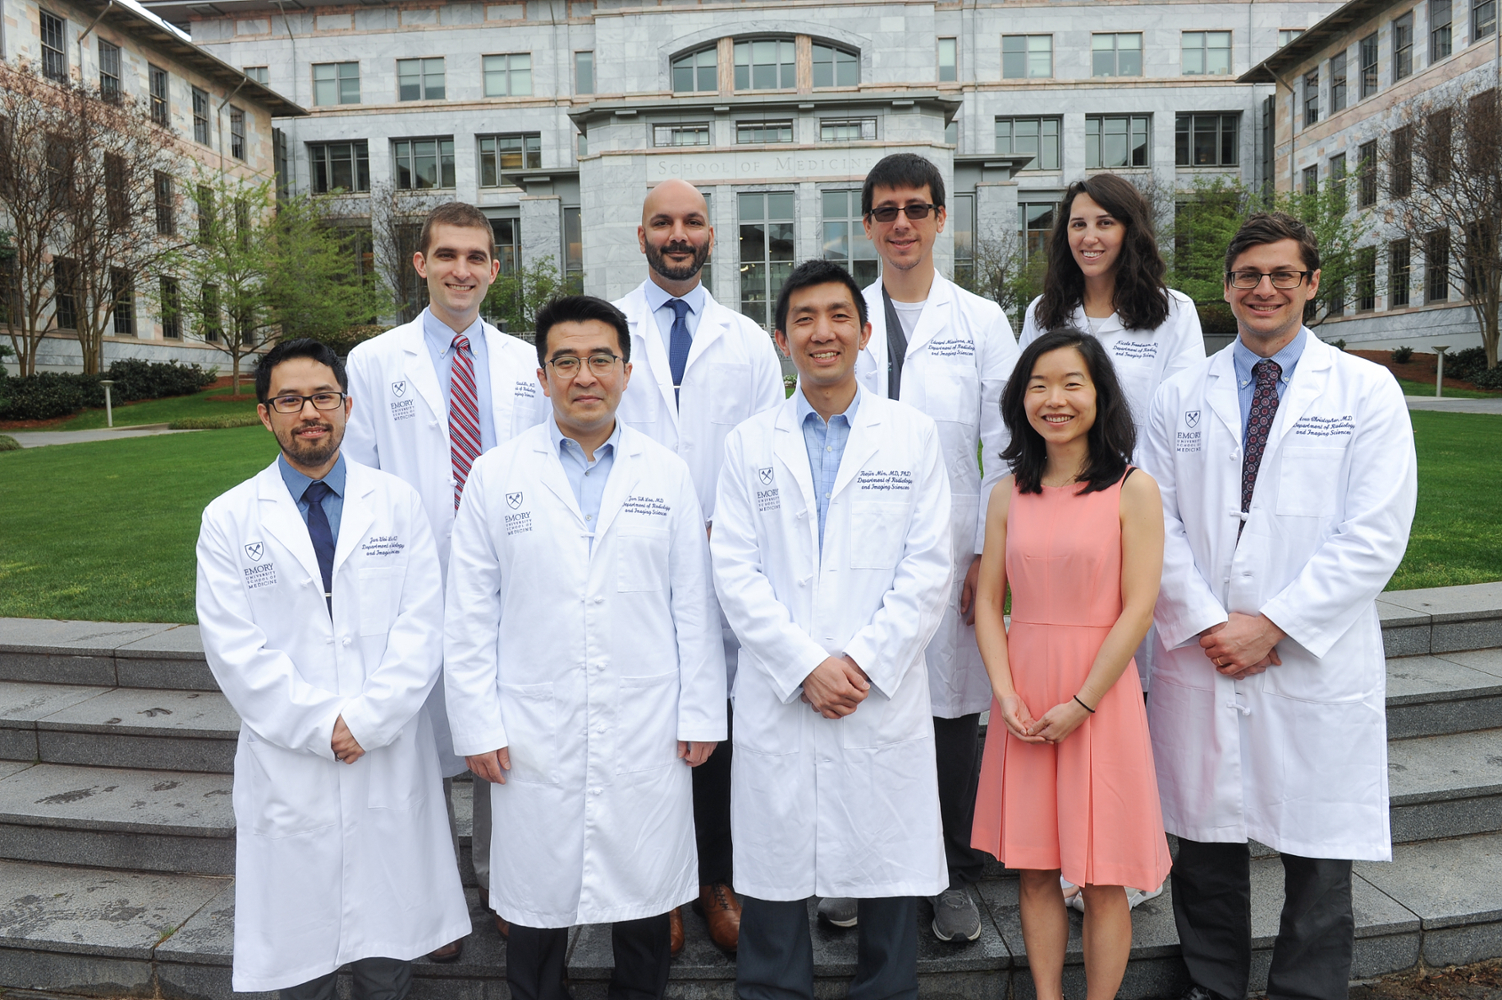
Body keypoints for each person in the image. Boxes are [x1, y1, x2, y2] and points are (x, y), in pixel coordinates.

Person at [1141, 212, 1417, 1000]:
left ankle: (1308, 989)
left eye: (1282, 275)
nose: (1264, 289)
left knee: (1321, 853)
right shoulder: (1178, 396)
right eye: (1248, 275)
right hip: (1204, 648)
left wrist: (1274, 625)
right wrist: (1205, 620)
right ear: (1226, 287)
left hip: (1312, 658)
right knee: (1205, 846)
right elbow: (1152, 522)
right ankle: (1211, 984)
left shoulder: (1366, 391)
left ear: (1312, 284)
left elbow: (1375, 532)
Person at [444, 295, 727, 1000]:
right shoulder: (495, 476)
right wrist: (477, 723)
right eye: (565, 361)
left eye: (601, 359)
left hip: (646, 720)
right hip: (532, 725)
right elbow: (470, 613)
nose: (584, 375)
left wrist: (700, 711)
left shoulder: (666, 473)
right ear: (542, 378)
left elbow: (692, 603)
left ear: (626, 372)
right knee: (536, 902)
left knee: (642, 890)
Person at [195, 338, 470, 998]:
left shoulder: (396, 505)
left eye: (322, 397)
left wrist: (368, 720)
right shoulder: (229, 519)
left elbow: (423, 626)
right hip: (291, 760)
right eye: (289, 399)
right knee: (300, 958)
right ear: (265, 415)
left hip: (385, 751)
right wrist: (322, 724)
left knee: (387, 949)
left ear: (348, 407)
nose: (308, 412)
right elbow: (234, 649)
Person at [712, 259, 953, 1000]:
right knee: (776, 861)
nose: (824, 333)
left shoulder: (911, 436)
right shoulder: (747, 444)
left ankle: (887, 989)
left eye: (839, 316)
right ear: (782, 340)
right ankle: (774, 990)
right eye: (805, 320)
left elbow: (929, 566)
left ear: (865, 331)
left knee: (885, 857)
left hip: (877, 691)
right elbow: (735, 571)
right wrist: (805, 664)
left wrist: (863, 662)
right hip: (784, 689)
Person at [344, 201, 549, 957]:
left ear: (495, 269)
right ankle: (429, 899)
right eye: (447, 255)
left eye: (476, 257)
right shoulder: (372, 363)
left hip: (508, 579)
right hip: (413, 580)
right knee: (414, 746)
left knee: (502, 736)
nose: (462, 270)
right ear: (419, 263)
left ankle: (503, 883)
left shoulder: (529, 362)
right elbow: (360, 483)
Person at [841, 151, 1018, 943]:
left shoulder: (980, 320)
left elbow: (1004, 444)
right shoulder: (847, 314)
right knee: (865, 701)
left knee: (951, 711)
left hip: (952, 552)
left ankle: (951, 871)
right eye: (887, 211)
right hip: (858, 549)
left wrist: (987, 551)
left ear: (942, 218)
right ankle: (854, 867)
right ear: (870, 223)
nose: (902, 223)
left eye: (917, 208)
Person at [969, 329, 1173, 1000]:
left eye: (1070, 384)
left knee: (1102, 872)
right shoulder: (1006, 494)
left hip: (1100, 697)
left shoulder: (1133, 490)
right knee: (1033, 869)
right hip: (1024, 697)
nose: (1054, 399)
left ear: (1100, 395)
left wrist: (1083, 702)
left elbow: (1139, 609)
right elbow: (989, 602)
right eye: (1038, 385)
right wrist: (1005, 695)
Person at [1018, 173, 1203, 909]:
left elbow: (1181, 422)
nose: (1088, 237)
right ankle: (1068, 856)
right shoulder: (1045, 311)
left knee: (1129, 688)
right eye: (1076, 224)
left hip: (1135, 511)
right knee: (1067, 678)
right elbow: (1031, 404)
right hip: (1062, 515)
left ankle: (1125, 852)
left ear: (1131, 230)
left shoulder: (1170, 314)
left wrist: (1132, 506)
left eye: (1104, 223)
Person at [612, 178, 785, 954]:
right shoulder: (609, 328)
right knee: (647, 723)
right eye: (663, 222)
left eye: (691, 222)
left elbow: (761, 456)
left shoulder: (745, 339)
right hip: (631, 564)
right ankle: (659, 887)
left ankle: (715, 876)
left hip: (723, 564)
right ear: (641, 234)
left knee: (714, 722)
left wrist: (733, 532)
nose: (677, 234)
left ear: (712, 235)